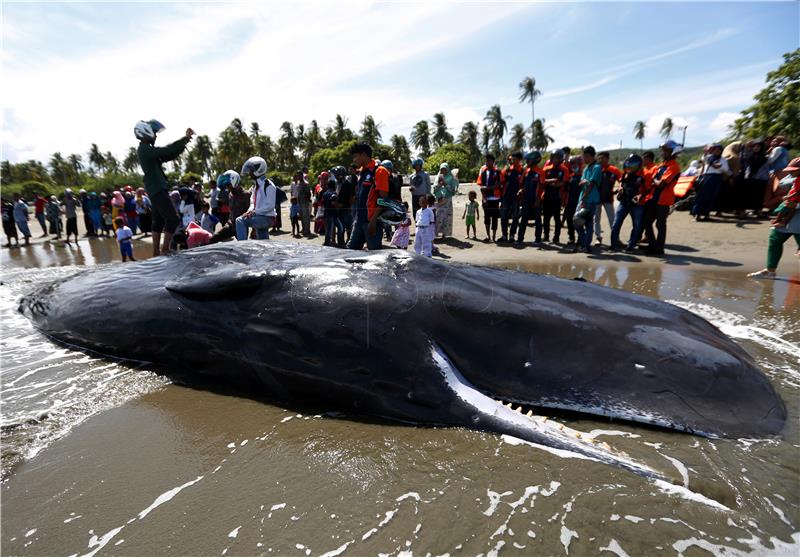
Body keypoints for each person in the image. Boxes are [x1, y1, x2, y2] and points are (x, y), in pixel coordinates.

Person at [135, 118, 194, 256]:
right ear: (146, 133)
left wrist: (184, 142)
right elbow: (166, 150)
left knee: (158, 220)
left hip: (154, 189)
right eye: (154, 133)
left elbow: (169, 154)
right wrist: (184, 139)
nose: (155, 136)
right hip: (157, 189)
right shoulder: (145, 150)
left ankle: (156, 251)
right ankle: (165, 249)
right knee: (172, 219)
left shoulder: (147, 150)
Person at [748, 157, 800, 278]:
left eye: (794, 170)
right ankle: (770, 270)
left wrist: (797, 204)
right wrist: (793, 177)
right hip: (789, 210)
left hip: (798, 214)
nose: (791, 172)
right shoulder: (793, 176)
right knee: (775, 238)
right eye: (790, 169)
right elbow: (782, 184)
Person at [642, 140, 682, 255]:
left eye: (665, 150)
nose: (662, 152)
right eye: (663, 150)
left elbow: (661, 184)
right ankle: (653, 245)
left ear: (672, 152)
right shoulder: (662, 165)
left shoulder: (674, 167)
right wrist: (656, 180)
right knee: (647, 222)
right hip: (654, 198)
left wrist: (655, 180)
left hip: (664, 200)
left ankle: (659, 248)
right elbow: (655, 181)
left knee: (660, 224)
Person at [347, 143, 389, 251]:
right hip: (359, 220)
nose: (354, 160)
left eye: (355, 156)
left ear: (364, 155)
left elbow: (383, 199)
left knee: (374, 255)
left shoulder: (379, 171)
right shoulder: (362, 172)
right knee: (350, 252)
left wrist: (373, 221)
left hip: (372, 222)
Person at [610, 154, 648, 252]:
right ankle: (613, 246)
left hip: (637, 205)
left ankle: (630, 247)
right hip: (624, 202)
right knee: (616, 224)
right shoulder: (625, 174)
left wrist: (640, 195)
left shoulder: (644, 174)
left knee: (636, 226)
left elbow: (648, 189)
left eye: (632, 164)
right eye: (628, 164)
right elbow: (621, 183)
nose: (630, 166)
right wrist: (620, 188)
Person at [236, 156, 277, 241]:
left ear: (258, 170)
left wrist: (254, 212)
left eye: (251, 170)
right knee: (263, 241)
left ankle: (243, 247)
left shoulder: (268, 185)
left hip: (267, 218)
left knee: (240, 220)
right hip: (260, 217)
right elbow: (252, 203)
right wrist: (249, 212)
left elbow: (270, 206)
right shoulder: (255, 186)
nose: (249, 173)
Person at [573, 146, 602, 253]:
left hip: (590, 199)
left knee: (587, 222)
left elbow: (591, 184)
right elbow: (581, 182)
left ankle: (586, 245)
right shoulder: (586, 168)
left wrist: (584, 199)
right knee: (577, 221)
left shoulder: (597, 168)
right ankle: (584, 242)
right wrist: (585, 182)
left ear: (590, 156)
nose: (583, 158)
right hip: (583, 198)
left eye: (584, 156)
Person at [691, 143, 730, 221]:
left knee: (711, 197)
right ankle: (697, 214)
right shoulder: (708, 157)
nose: (717, 151)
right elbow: (707, 160)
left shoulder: (723, 159)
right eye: (715, 149)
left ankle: (706, 215)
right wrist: (717, 166)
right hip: (707, 177)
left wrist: (719, 166)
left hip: (717, 178)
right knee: (701, 196)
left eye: (719, 150)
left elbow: (726, 169)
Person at [517, 151, 544, 244]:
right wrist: (521, 191)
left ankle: (538, 239)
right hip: (526, 199)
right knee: (523, 219)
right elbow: (522, 184)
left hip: (536, 198)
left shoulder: (540, 172)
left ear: (534, 160)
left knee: (537, 220)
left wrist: (538, 200)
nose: (527, 161)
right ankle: (520, 239)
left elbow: (541, 187)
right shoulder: (526, 171)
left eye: (528, 159)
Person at [541, 149, 569, 243]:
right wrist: (552, 181)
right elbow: (542, 181)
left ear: (561, 159)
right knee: (546, 218)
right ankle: (546, 236)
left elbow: (564, 182)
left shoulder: (564, 169)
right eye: (553, 157)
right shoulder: (546, 169)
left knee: (557, 218)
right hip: (547, 196)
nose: (555, 159)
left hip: (557, 197)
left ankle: (556, 237)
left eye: (557, 158)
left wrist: (556, 184)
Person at [595, 151, 622, 246]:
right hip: (596, 199)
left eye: (602, 158)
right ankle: (598, 238)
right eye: (598, 158)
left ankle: (616, 239)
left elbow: (622, 179)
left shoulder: (614, 169)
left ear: (607, 158)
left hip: (608, 198)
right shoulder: (596, 169)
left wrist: (620, 187)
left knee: (612, 220)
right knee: (596, 219)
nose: (600, 160)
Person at [476, 153, 502, 242]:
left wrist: (488, 188)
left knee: (494, 218)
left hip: (495, 199)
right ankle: (488, 236)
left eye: (489, 161)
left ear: (493, 162)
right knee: (486, 217)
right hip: (486, 199)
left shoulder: (497, 172)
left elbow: (499, 184)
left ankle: (494, 237)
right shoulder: (483, 172)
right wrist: (484, 198)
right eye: (486, 161)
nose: (487, 162)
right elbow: (480, 186)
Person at [499, 152, 524, 242]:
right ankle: (504, 235)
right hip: (506, 197)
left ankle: (512, 235)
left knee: (515, 217)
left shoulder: (523, 171)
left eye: (514, 159)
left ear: (519, 160)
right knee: (503, 217)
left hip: (516, 198)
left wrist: (521, 190)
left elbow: (524, 184)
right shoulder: (507, 170)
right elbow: (502, 182)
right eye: (511, 159)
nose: (512, 161)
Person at [434, 162, 458, 239]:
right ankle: (436, 233)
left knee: (446, 217)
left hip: (447, 200)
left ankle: (445, 234)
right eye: (442, 169)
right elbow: (434, 189)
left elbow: (453, 191)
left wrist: (445, 184)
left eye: (445, 169)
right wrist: (439, 184)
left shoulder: (451, 178)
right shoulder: (438, 177)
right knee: (438, 216)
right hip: (439, 199)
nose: (443, 171)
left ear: (447, 170)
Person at [331, 165, 355, 243]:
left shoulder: (348, 184)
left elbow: (352, 197)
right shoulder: (336, 184)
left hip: (346, 209)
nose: (335, 176)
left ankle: (349, 241)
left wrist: (349, 206)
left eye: (336, 174)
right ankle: (340, 243)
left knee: (348, 227)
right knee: (340, 228)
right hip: (338, 209)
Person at [562, 155, 583, 245]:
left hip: (580, 204)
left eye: (576, 163)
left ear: (580, 164)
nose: (574, 165)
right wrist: (564, 201)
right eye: (572, 164)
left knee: (579, 221)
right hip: (569, 203)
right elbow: (566, 191)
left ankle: (580, 238)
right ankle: (571, 237)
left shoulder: (583, 177)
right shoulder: (570, 177)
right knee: (569, 221)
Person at [322, 176, 344, 247]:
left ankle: (328, 243)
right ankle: (327, 243)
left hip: (328, 214)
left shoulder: (325, 193)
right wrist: (340, 205)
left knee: (329, 230)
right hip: (332, 215)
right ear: (334, 185)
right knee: (339, 228)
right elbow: (333, 203)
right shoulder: (333, 193)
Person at [294, 171, 312, 236]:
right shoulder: (298, 183)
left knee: (306, 217)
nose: (298, 177)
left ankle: (307, 230)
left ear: (302, 176)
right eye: (297, 175)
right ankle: (303, 229)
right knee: (301, 217)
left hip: (304, 202)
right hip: (299, 203)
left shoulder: (306, 184)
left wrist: (306, 200)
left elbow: (309, 194)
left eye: (299, 175)